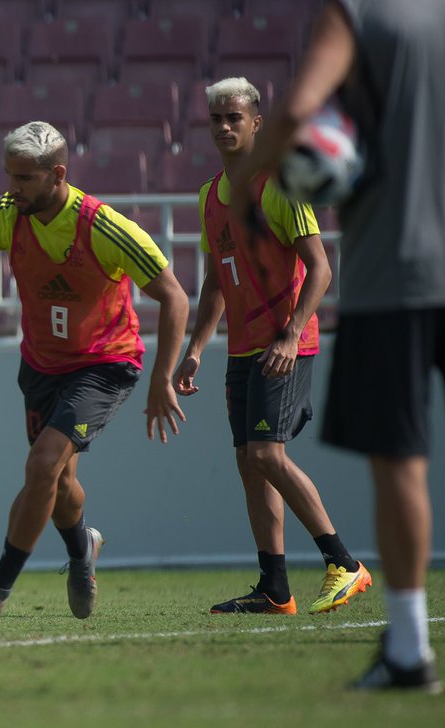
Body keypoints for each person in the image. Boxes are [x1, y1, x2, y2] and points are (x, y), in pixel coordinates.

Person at [230, 0, 444, 692]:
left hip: (399, 272)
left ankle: (409, 650)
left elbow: (296, 113)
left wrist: (247, 186)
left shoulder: (359, 13)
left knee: (401, 464)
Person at [0, 121, 189, 624]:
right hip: (41, 367)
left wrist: (161, 378)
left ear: (57, 175)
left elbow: (174, 296)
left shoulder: (104, 226)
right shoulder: (6, 216)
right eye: (9, 175)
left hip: (104, 364)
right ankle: (82, 548)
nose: (12, 188)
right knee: (60, 482)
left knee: (43, 465)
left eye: (24, 178)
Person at [174, 77, 371, 616]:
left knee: (266, 453)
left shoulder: (280, 186)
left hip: (287, 344)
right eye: (216, 118)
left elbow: (322, 268)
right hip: (242, 352)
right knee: (248, 462)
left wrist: (290, 332)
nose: (224, 126)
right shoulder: (209, 197)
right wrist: (193, 349)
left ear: (256, 123)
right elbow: (216, 281)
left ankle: (345, 563)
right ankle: (274, 588)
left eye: (234, 117)